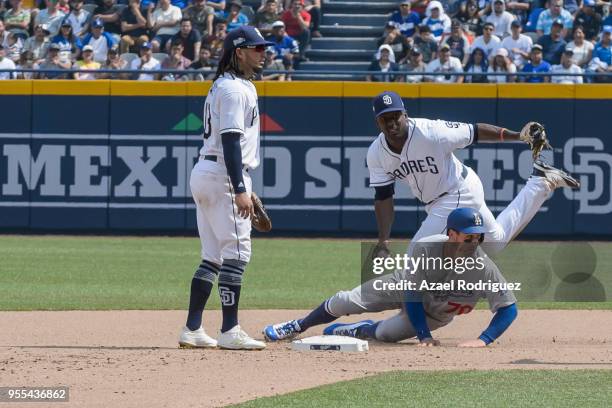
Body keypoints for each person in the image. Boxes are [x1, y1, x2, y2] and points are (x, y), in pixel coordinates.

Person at [262, 89, 581, 344]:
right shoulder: (376, 153)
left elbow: (474, 132)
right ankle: (541, 180)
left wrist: (516, 137)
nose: (391, 122)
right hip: (436, 202)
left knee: (421, 254)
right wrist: (383, 241)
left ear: (405, 113)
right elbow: (383, 198)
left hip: (458, 191)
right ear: (378, 121)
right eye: (385, 118)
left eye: (395, 115)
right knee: (493, 242)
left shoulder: (430, 131)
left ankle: (411, 298)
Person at [266, 208, 520, 346]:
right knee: (346, 300)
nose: (474, 241)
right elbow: (411, 295)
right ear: (452, 234)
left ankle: (359, 330)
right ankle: (299, 325)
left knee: (386, 334)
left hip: (435, 314)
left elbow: (508, 308)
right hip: (403, 286)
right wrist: (424, 336)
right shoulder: (427, 247)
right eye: (468, 236)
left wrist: (483, 340)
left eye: (478, 237)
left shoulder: (482, 266)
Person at [178, 25, 273, 351]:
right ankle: (230, 329)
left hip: (209, 171)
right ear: (238, 52)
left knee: (212, 256)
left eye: (264, 48)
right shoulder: (234, 90)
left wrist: (241, 182)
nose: (263, 53)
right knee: (237, 253)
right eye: (256, 48)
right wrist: (239, 187)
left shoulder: (228, 86)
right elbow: (231, 140)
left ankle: (192, 328)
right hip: (222, 173)